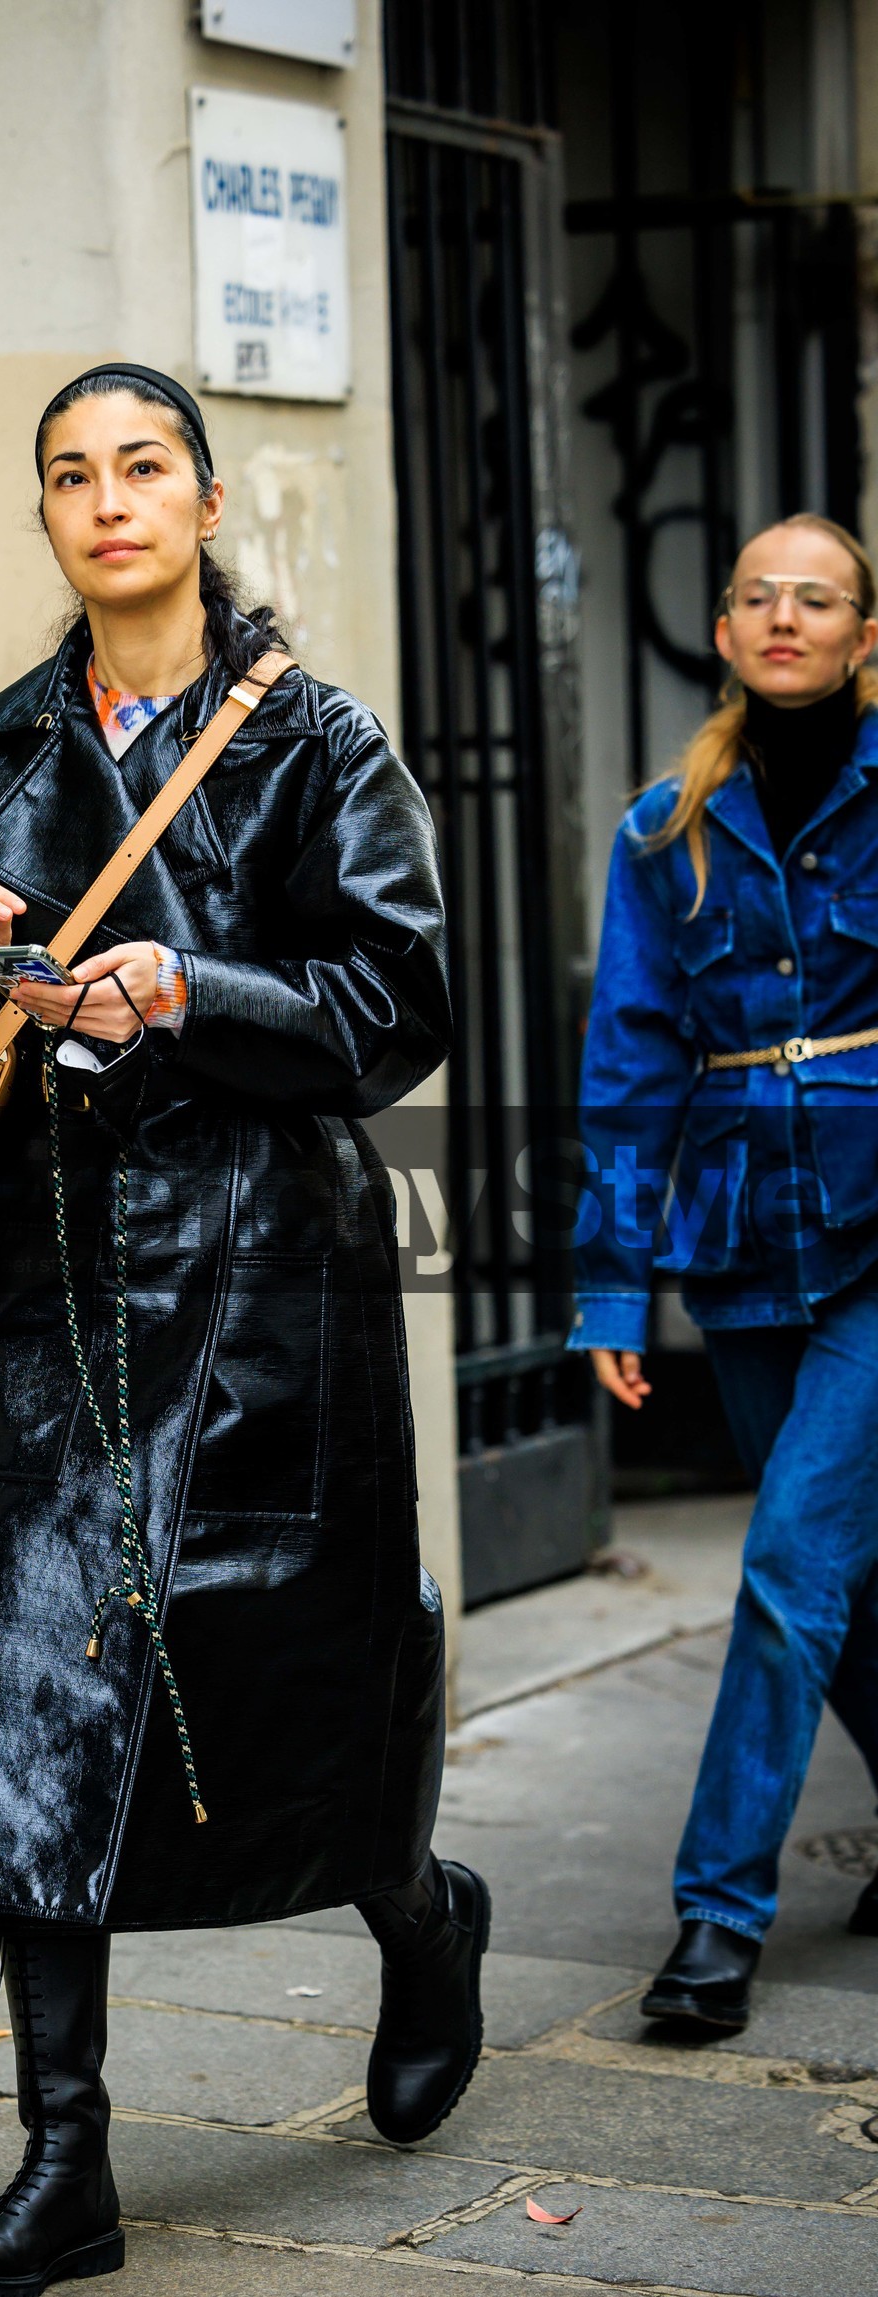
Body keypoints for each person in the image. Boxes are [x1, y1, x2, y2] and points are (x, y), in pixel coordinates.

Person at [0, 364, 485, 2297]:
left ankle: (414, 1906)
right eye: (67, 476)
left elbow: (396, 1005)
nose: (104, 500)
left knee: (288, 1673)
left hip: (261, 1286)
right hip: (39, 1300)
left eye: (139, 468)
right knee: (28, 1694)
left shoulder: (315, 744)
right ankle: (65, 2166)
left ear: (204, 503)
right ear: (43, 520)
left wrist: (186, 986)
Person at [571, 513, 878, 2034]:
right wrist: (613, 1284)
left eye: (816, 597)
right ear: (725, 625)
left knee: (784, 1573)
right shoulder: (664, 828)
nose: (784, 616)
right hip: (747, 1238)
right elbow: (630, 1064)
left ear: (862, 636)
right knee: (835, 1582)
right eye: (759, 593)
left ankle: (717, 1919)